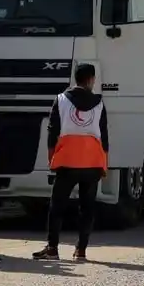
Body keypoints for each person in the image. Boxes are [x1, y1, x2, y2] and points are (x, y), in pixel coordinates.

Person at [33, 63, 109, 263]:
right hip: (92, 161)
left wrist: (52, 158)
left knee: (57, 206)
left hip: (67, 161)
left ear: (76, 79)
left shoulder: (60, 100)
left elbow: (52, 131)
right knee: (87, 207)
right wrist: (104, 163)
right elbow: (105, 136)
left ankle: (52, 248)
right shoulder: (100, 103)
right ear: (91, 79)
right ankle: (81, 250)